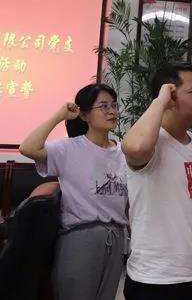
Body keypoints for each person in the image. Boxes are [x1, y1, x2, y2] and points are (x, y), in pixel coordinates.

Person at [19, 83, 128, 300]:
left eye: (114, 105)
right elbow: (27, 147)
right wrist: (59, 116)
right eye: (103, 106)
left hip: (116, 238)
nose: (112, 111)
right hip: (80, 238)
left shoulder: (124, 151)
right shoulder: (69, 148)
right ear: (85, 116)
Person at [121, 63, 192, 300]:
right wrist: (160, 100)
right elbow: (135, 148)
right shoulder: (152, 142)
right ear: (170, 95)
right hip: (155, 279)